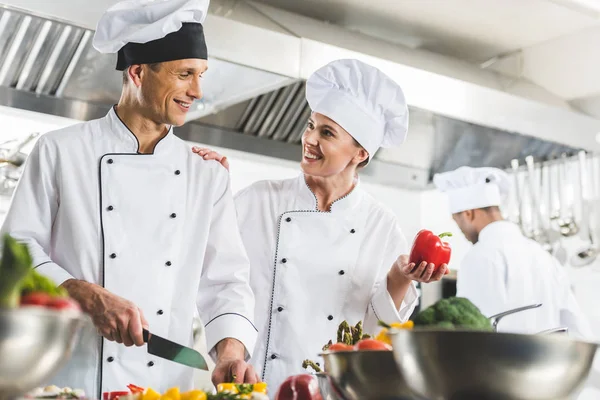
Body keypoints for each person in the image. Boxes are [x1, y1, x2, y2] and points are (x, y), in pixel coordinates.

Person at [0, 0, 258, 396]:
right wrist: (81, 291)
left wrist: (230, 351)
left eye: (201, 75)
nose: (197, 91)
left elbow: (227, 281)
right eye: (185, 74)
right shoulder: (60, 151)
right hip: (71, 376)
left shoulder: (205, 174)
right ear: (138, 72)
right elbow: (16, 250)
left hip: (161, 385)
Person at [193, 58, 448, 394]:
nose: (309, 139)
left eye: (326, 132)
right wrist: (206, 194)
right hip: (253, 387)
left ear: (359, 153)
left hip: (328, 391)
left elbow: (384, 330)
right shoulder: (257, 200)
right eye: (311, 125)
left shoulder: (380, 225)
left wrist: (400, 278)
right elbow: (211, 272)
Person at [433, 166, 593, 338]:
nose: (461, 231)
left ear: (468, 214)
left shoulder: (480, 256)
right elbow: (577, 328)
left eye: (458, 222)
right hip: (548, 363)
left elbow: (473, 332)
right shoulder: (543, 256)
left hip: (501, 363)